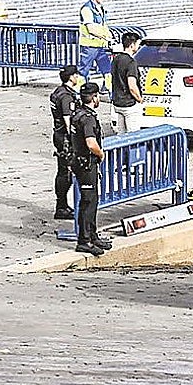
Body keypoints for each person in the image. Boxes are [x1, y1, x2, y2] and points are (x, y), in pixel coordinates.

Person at [70, 82, 111, 256]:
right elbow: (91, 143)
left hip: (80, 162)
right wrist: (100, 154)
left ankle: (92, 235)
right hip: (86, 163)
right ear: (94, 98)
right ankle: (84, 240)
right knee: (88, 201)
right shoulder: (87, 118)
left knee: (92, 200)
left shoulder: (78, 114)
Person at [50, 65, 82, 220]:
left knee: (63, 171)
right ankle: (61, 206)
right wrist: (76, 139)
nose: (78, 77)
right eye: (76, 75)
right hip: (65, 138)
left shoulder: (58, 92)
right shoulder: (66, 96)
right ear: (71, 77)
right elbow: (68, 121)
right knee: (66, 172)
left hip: (58, 134)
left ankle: (62, 204)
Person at [78, 0, 112, 85]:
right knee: (83, 71)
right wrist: (105, 37)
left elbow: (103, 26)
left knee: (107, 71)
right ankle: (79, 92)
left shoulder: (101, 8)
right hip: (90, 47)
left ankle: (110, 92)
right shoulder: (87, 9)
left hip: (100, 46)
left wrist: (110, 36)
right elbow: (91, 29)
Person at [110, 31, 144, 134]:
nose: (138, 47)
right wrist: (139, 99)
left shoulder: (116, 59)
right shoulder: (130, 62)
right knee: (133, 135)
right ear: (132, 45)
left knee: (121, 134)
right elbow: (132, 86)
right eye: (138, 44)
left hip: (117, 103)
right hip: (129, 104)